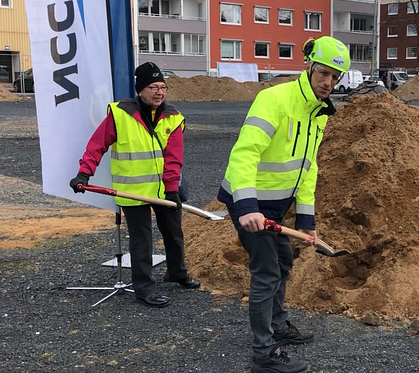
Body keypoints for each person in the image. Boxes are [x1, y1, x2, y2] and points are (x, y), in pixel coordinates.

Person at [217, 36, 349, 373]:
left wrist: (306, 218)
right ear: (308, 66)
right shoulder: (273, 99)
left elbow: (308, 167)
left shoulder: (319, 114)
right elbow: (245, 153)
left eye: (335, 77)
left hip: (275, 207)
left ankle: (276, 324)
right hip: (248, 202)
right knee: (266, 271)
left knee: (284, 261)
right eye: (323, 73)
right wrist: (246, 205)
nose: (328, 82)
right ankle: (264, 354)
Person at [69, 62, 200, 308]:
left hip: (163, 191)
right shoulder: (120, 115)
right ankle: (144, 289)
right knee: (142, 241)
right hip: (132, 192)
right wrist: (84, 174)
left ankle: (177, 273)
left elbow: (174, 158)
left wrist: (172, 188)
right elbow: (97, 145)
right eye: (153, 87)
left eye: (163, 87)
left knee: (174, 233)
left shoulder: (174, 118)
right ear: (140, 89)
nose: (159, 92)